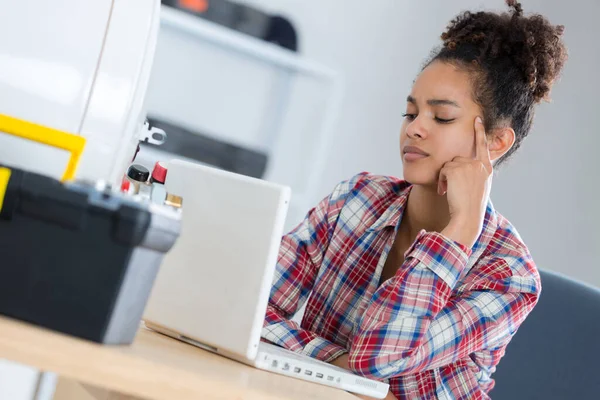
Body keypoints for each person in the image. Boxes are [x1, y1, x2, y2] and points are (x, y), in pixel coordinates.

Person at [261, 1, 567, 399]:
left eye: (441, 118)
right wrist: (338, 365)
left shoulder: (509, 276)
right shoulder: (357, 199)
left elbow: (376, 360)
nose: (416, 129)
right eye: (410, 113)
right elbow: (251, 309)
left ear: (495, 141)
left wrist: (459, 231)